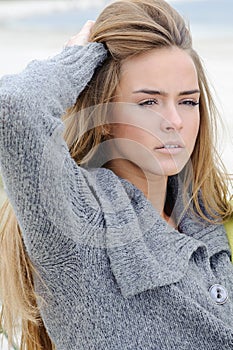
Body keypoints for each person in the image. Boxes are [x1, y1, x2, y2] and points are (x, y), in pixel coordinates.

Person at [0, 0, 232, 349]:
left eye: (187, 101)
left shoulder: (202, 210)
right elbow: (14, 106)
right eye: (149, 102)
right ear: (104, 115)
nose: (176, 121)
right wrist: (78, 59)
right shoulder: (78, 222)